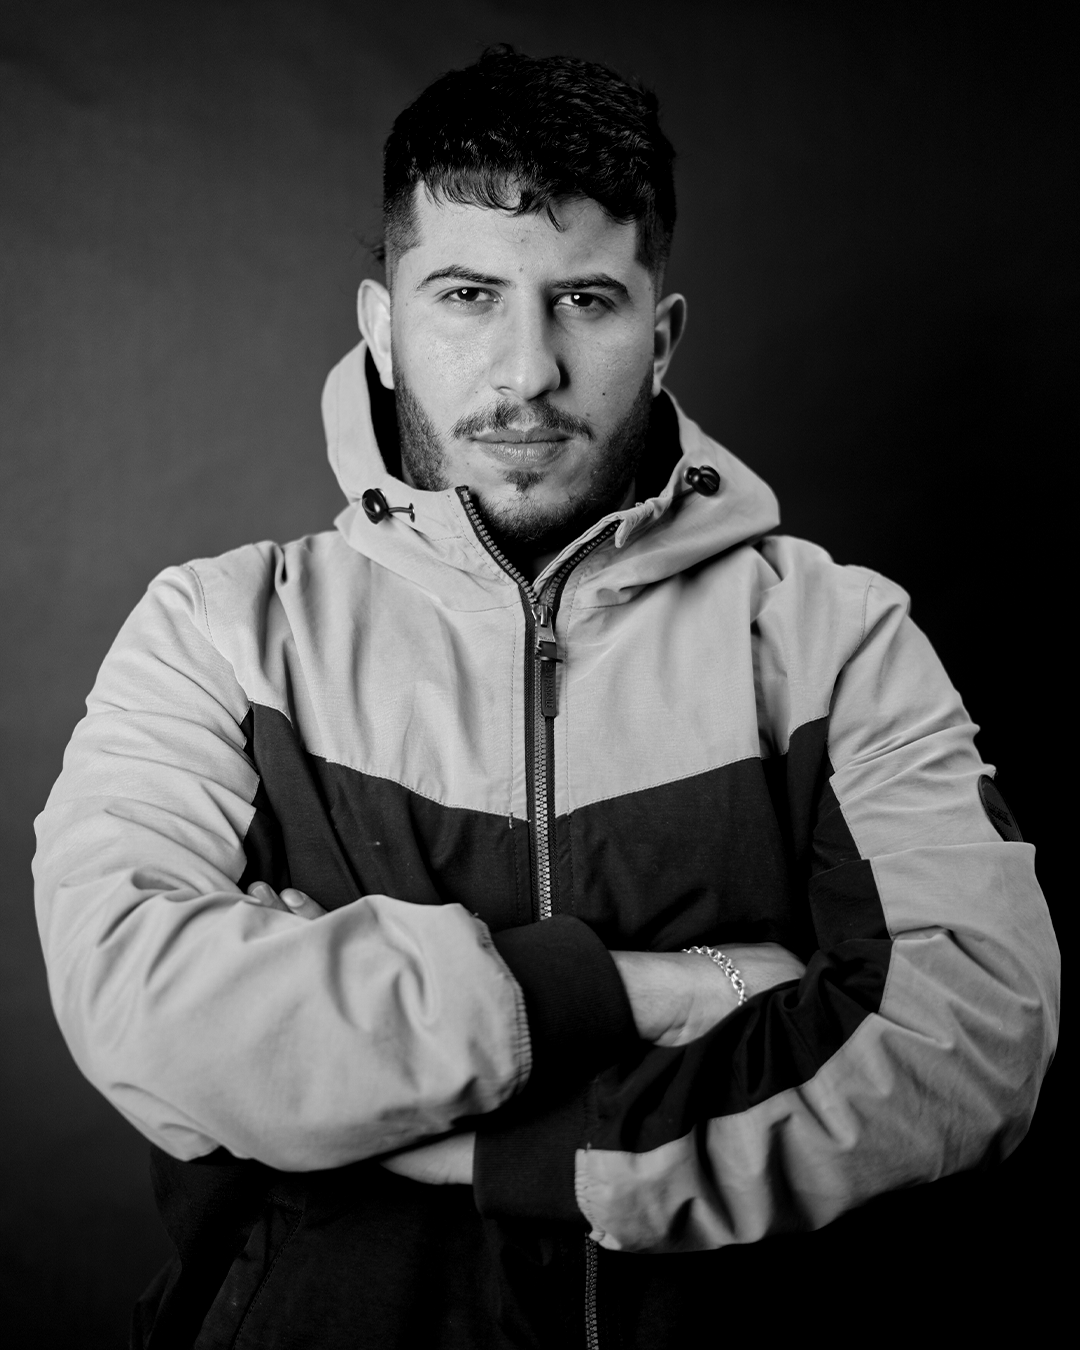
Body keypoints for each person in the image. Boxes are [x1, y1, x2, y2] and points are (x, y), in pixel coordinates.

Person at [33, 46, 1058, 1350]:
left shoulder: (832, 636)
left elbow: (968, 1042)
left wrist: (486, 1154)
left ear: (661, 336)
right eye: (467, 295)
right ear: (382, 326)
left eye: (584, 300)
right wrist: (642, 992)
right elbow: (147, 1010)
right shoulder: (220, 632)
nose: (526, 371)